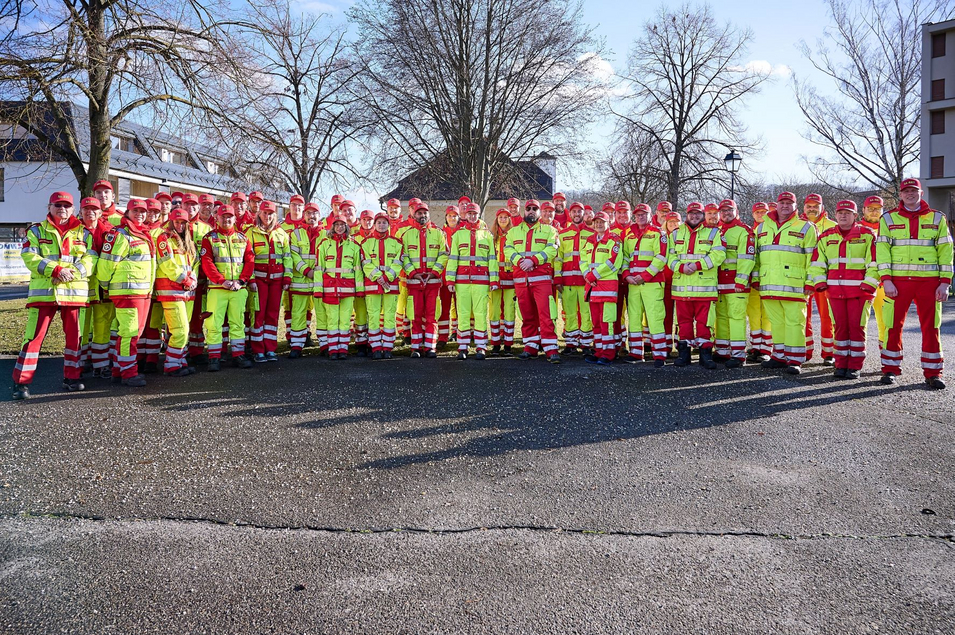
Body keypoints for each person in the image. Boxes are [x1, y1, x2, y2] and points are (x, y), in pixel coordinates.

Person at [12, 192, 95, 399]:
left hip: (74, 294)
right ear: (49, 207)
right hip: (45, 294)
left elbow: (90, 260)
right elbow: (29, 256)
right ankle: (21, 383)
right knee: (33, 339)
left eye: (67, 205)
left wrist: (68, 274)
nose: (62, 209)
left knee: (75, 339)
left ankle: (72, 378)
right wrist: (55, 270)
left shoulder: (84, 233)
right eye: (58, 205)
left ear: (73, 209)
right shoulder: (36, 230)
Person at [877, 178, 953, 388]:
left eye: (914, 190)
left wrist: (945, 283)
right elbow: (882, 252)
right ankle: (890, 369)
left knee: (931, 327)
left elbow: (946, 252)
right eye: (906, 191)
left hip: (929, 283)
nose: (910, 194)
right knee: (892, 325)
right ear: (900, 195)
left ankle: (933, 372)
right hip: (898, 283)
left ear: (921, 193)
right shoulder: (888, 219)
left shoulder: (937, 218)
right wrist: (887, 280)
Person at [807, 200, 878, 380]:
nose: (843, 215)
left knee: (857, 329)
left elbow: (875, 263)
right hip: (834, 292)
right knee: (839, 328)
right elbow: (817, 263)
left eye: (848, 212)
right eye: (840, 212)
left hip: (859, 293)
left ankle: (854, 366)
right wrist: (820, 283)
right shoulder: (826, 236)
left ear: (855, 215)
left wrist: (868, 286)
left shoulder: (867, 235)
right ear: (835, 214)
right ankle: (840, 364)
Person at [96, 198, 157, 387]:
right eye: (135, 211)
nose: (140, 214)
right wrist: (107, 285)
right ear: (127, 213)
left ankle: (118, 370)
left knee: (128, 333)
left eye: (143, 211)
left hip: (140, 292)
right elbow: (106, 264)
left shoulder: (142, 234)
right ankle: (128, 373)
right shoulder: (120, 234)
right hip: (128, 293)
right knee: (129, 333)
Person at [756, 192, 818, 374]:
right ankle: (779, 355)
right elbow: (755, 257)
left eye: (788, 203)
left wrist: (810, 282)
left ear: (795, 205)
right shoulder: (761, 228)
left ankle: (795, 359)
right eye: (782, 202)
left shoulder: (806, 227)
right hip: (768, 284)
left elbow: (813, 258)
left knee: (795, 322)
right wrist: (755, 278)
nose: (785, 206)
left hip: (794, 285)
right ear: (776, 204)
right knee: (776, 322)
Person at [667, 202, 726, 369]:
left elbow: (719, 255)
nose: (694, 216)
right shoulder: (675, 234)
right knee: (683, 323)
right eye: (691, 214)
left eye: (698, 214)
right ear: (686, 215)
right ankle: (683, 355)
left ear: (703, 214)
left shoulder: (714, 232)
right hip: (682, 288)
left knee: (705, 324)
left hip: (704, 290)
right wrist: (680, 267)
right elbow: (669, 256)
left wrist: (697, 265)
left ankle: (705, 356)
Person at [504, 199, 561, 363]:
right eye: (528, 208)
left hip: (541, 281)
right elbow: (507, 248)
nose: (531, 211)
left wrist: (533, 261)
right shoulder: (513, 232)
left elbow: (552, 249)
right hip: (522, 281)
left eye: (534, 209)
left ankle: (551, 349)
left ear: (539, 212)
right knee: (527, 316)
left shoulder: (550, 230)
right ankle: (530, 347)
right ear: (524, 211)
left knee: (546, 315)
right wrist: (520, 261)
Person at [200, 205, 254, 371]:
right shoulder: (209, 238)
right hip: (217, 289)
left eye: (230, 216)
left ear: (235, 218)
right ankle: (214, 357)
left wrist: (242, 281)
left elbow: (249, 262)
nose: (227, 219)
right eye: (223, 216)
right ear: (217, 218)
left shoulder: (243, 238)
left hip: (238, 288)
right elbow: (207, 262)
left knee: (237, 322)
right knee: (213, 323)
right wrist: (221, 280)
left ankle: (238, 355)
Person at [446, 202, 499, 360]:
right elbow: (453, 259)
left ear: (479, 215)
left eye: (474, 213)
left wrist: (494, 280)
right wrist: (450, 280)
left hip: (481, 282)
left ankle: (481, 346)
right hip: (462, 282)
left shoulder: (487, 235)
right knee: (462, 314)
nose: (472, 216)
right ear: (465, 215)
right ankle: (463, 347)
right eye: (469, 213)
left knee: (480, 313)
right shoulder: (458, 235)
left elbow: (492, 259)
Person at [399, 202, 448, 357]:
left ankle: (430, 347)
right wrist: (413, 273)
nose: (422, 215)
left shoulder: (439, 234)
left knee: (431, 316)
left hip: (433, 283)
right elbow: (403, 257)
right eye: (419, 213)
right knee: (415, 315)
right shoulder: (407, 235)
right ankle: (416, 347)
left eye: (425, 213)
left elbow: (444, 254)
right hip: (414, 283)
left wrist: (434, 272)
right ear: (414, 215)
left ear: (429, 214)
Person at [245, 200, 291, 363]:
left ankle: (270, 349)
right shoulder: (250, 233)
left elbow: (287, 257)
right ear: (259, 214)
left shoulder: (282, 234)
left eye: (270, 213)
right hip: (259, 281)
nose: (267, 216)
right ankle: (258, 350)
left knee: (273, 315)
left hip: (277, 282)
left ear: (275, 215)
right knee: (258, 314)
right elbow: (248, 259)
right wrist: (250, 280)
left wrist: (287, 277)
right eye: (264, 213)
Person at [622, 203, 668, 366]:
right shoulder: (629, 234)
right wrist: (627, 275)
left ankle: (659, 355)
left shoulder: (658, 233)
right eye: (638, 214)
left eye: (644, 214)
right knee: (633, 318)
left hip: (652, 283)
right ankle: (636, 353)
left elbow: (661, 257)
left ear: (650, 215)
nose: (640, 217)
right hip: (633, 283)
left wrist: (645, 276)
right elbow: (625, 257)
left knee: (655, 317)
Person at [154, 208, 198, 377]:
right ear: (171, 221)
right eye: (177, 222)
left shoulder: (187, 241)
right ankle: (171, 365)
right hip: (171, 290)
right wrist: (186, 280)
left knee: (183, 329)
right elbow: (167, 264)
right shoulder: (164, 238)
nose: (179, 225)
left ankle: (180, 361)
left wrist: (192, 279)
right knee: (180, 330)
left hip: (186, 291)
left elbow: (193, 265)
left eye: (183, 223)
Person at [315, 214, 364, 360]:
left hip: (348, 290)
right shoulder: (324, 245)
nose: (340, 227)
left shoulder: (354, 246)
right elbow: (319, 269)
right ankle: (332, 349)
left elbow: (358, 270)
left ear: (347, 227)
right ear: (332, 227)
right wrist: (318, 290)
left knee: (345, 319)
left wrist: (360, 290)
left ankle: (343, 349)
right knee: (332, 319)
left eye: (342, 225)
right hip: (330, 289)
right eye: (337, 225)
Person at [713, 199, 755, 368]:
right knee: (721, 317)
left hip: (736, 283)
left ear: (736, 211)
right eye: (722, 211)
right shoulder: (716, 230)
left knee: (736, 317)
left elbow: (747, 259)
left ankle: (738, 354)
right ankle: (722, 351)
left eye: (729, 210)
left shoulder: (743, 231)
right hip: (719, 283)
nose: (726, 213)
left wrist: (741, 280)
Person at [77, 196, 114, 376]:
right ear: (80, 211)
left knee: (103, 323)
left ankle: (101, 364)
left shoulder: (109, 231)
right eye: (86, 208)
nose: (90, 212)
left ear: (100, 212)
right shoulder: (73, 232)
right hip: (79, 285)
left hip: (103, 285)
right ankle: (80, 362)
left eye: (94, 209)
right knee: (80, 326)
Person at [581, 211, 623, 365]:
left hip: (606, 288)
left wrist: (593, 275)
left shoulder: (614, 240)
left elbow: (613, 262)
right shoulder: (589, 240)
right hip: (592, 287)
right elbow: (582, 259)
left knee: (607, 322)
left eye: (602, 222)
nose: (599, 224)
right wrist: (586, 274)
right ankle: (598, 351)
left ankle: (609, 353)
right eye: (596, 222)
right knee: (596, 322)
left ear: (608, 223)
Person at [361, 212, 404, 359]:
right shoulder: (366, 243)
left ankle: (388, 347)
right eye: (378, 222)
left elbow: (398, 263)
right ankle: (375, 347)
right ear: (374, 224)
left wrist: (387, 277)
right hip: (372, 285)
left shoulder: (397, 243)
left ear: (388, 225)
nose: (381, 225)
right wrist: (378, 277)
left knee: (389, 316)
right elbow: (365, 263)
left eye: (384, 222)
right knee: (373, 316)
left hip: (390, 285)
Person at [555, 201, 595, 355]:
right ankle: (571, 343)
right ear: (570, 214)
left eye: (580, 212)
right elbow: (558, 259)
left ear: (584, 214)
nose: (577, 214)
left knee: (586, 313)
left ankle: (585, 344)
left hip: (585, 281)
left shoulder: (591, 234)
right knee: (570, 312)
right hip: (567, 282)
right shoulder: (563, 234)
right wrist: (557, 279)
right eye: (574, 212)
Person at [802, 193, 837, 364]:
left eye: (815, 206)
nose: (812, 209)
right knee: (803, 315)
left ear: (822, 207)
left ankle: (829, 353)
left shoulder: (833, 226)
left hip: (826, 277)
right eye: (809, 206)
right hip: (804, 277)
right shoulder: (798, 225)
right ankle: (805, 350)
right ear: (803, 207)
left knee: (827, 315)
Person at [287, 203, 321, 358]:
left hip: (319, 281)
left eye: (314, 213)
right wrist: (307, 271)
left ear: (319, 216)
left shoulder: (325, 234)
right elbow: (294, 255)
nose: (311, 216)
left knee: (322, 313)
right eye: (308, 213)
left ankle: (325, 344)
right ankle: (296, 345)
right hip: (301, 280)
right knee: (298, 313)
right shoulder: (296, 234)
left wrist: (317, 272)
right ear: (304, 215)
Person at [746, 202, 772, 362]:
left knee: (768, 314)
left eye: (764, 211)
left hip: (770, 278)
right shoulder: (750, 231)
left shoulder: (772, 229)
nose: (761, 214)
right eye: (758, 212)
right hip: (753, 279)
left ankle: (766, 349)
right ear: (753, 214)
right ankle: (756, 346)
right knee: (754, 314)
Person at [860, 195, 887, 350]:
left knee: (886, 321)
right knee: (857, 320)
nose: (874, 212)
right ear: (863, 210)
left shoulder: (889, 227)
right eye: (870, 209)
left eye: (877, 209)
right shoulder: (855, 228)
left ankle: (888, 357)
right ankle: (854, 356)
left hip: (884, 282)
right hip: (862, 281)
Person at [489, 209, 517, 356]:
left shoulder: (514, 234)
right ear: (497, 219)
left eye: (506, 217)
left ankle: (507, 344)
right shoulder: (491, 236)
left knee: (509, 311)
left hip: (511, 279)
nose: (503, 219)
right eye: (501, 217)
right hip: (495, 278)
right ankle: (495, 343)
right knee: (494, 311)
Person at [438, 205, 461, 348]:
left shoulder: (463, 233)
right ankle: (442, 337)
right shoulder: (440, 233)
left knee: (461, 308)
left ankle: (460, 335)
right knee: (444, 308)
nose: (452, 218)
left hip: (460, 277)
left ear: (459, 218)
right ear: (446, 217)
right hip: (444, 276)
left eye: (455, 216)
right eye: (450, 215)